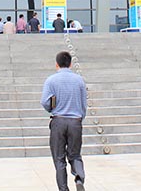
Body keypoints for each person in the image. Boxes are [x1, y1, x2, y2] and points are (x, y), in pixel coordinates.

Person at [41, 51, 87, 191]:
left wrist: (52, 108)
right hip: (75, 122)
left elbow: (44, 102)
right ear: (70, 64)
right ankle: (79, 178)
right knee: (75, 155)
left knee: (59, 158)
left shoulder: (51, 80)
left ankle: (63, 189)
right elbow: (83, 104)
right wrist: (80, 118)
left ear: (57, 64)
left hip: (58, 121)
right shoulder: (79, 80)